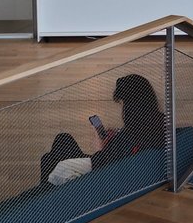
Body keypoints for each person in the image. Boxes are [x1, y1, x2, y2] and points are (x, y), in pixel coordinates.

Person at [38, 74, 167, 186]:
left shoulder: (131, 138)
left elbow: (104, 166)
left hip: (99, 177)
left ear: (130, 107)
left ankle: (45, 200)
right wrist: (117, 135)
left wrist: (99, 148)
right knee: (62, 140)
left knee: (50, 159)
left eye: (122, 105)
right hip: (108, 165)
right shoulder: (158, 123)